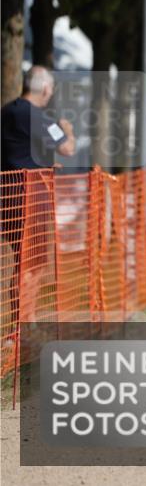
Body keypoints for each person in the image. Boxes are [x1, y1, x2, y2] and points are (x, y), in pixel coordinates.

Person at [1, 66, 76, 334]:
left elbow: (18, 151)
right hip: (30, 198)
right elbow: (67, 148)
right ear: (45, 88)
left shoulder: (7, 112)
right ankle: (22, 327)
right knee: (33, 262)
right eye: (51, 88)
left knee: (23, 260)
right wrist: (67, 130)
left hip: (7, 195)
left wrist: (43, 162)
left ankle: (22, 326)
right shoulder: (39, 118)